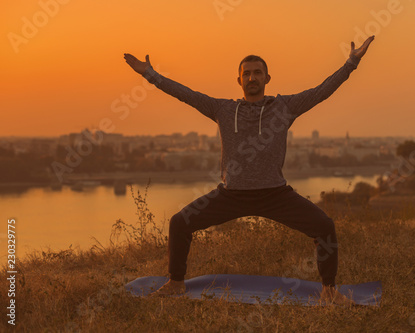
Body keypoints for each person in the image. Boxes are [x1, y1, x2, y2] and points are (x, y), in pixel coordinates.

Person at [123, 35, 374, 306]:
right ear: (239, 80)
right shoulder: (222, 109)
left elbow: (322, 90)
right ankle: (175, 283)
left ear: (267, 78)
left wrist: (351, 62)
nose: (252, 77)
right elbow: (186, 94)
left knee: (324, 226)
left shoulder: (285, 107)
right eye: (247, 74)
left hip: (275, 194)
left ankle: (329, 291)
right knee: (180, 222)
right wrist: (149, 74)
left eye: (257, 73)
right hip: (231, 195)